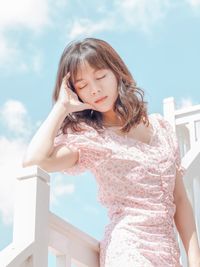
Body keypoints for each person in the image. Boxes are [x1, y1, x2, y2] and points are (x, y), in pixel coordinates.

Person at [22, 37, 200, 267]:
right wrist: (61, 107)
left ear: (116, 72)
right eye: (82, 85)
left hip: (167, 252)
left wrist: (195, 259)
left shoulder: (162, 128)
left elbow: (180, 200)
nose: (94, 90)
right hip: (128, 248)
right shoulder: (92, 138)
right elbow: (35, 160)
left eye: (100, 77)